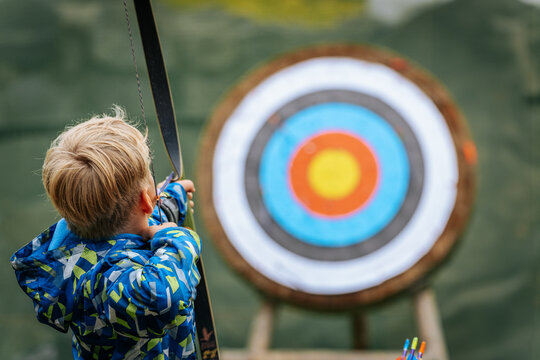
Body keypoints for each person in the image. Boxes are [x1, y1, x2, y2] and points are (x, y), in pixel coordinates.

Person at [10, 106, 201, 359]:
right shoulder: (106, 281)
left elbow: (140, 226)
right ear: (146, 200)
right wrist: (180, 238)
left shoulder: (73, 246)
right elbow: (164, 296)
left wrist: (169, 201)